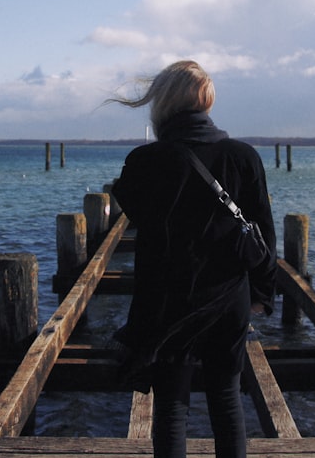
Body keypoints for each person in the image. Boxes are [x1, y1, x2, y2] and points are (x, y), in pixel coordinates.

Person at [109, 60, 277, 458]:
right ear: (207, 102)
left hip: (169, 300)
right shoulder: (244, 157)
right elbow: (264, 234)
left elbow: (130, 203)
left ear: (162, 103)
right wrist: (262, 295)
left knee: (170, 408)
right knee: (226, 399)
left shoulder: (145, 162)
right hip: (229, 297)